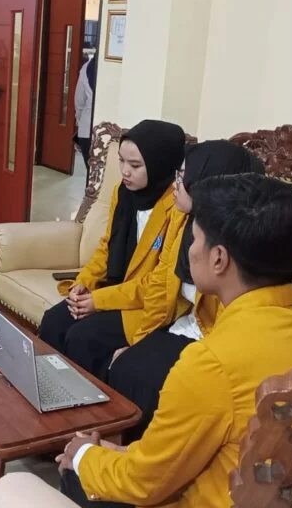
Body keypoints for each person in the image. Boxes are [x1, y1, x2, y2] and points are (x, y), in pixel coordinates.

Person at [55, 174, 292, 508]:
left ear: (218, 258)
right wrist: (121, 453)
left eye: (194, 239)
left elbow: (143, 484)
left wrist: (83, 455)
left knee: (74, 475)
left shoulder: (210, 363)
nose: (190, 250)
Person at [108, 140, 265, 442]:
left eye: (183, 177)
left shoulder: (238, 248)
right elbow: (160, 286)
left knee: (143, 378)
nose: (175, 185)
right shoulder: (185, 221)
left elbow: (231, 333)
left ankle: (136, 458)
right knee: (124, 364)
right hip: (186, 326)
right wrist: (139, 343)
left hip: (214, 343)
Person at [37, 120, 187, 378]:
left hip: (146, 305)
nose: (125, 171)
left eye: (135, 165)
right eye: (121, 161)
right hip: (116, 288)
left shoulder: (176, 207)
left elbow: (159, 284)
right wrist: (84, 283)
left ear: (161, 163)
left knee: (84, 338)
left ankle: (87, 400)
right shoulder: (124, 193)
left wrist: (99, 301)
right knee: (54, 320)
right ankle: (47, 388)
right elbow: (107, 247)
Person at [74, 55, 97, 167]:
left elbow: (79, 101)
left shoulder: (87, 68)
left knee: (90, 170)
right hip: (109, 132)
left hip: (86, 129)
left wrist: (79, 121)